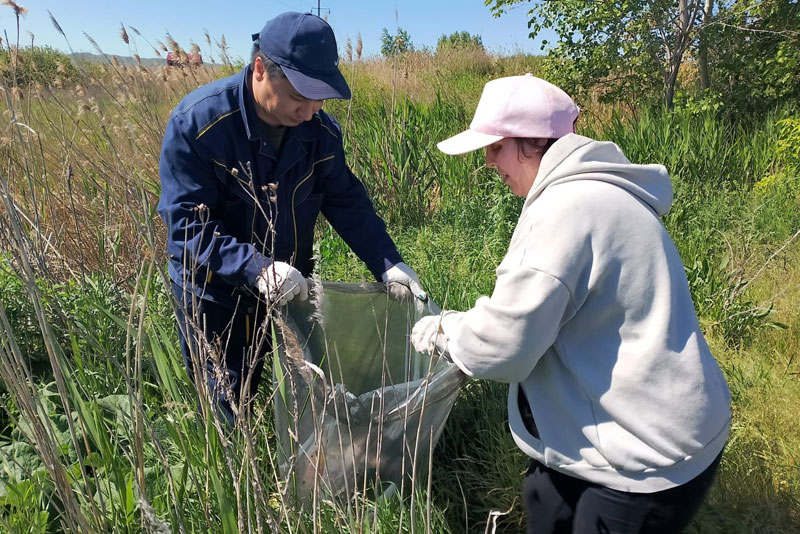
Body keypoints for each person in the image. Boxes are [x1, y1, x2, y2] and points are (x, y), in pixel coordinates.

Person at [411, 74, 731, 533]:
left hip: (643, 459)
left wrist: (446, 331)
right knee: (544, 502)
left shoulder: (564, 211)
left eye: (496, 147)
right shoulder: (604, 190)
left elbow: (505, 346)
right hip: (672, 418)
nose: (487, 161)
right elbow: (544, 308)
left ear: (533, 141)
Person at [158, 12, 425, 424]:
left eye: (321, 96)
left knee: (301, 390)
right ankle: (240, 479)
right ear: (261, 68)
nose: (311, 109)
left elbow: (345, 200)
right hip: (214, 294)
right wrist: (255, 268)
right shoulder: (199, 126)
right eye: (301, 95)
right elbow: (187, 228)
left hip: (290, 286)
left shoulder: (319, 131)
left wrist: (387, 262)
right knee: (227, 402)